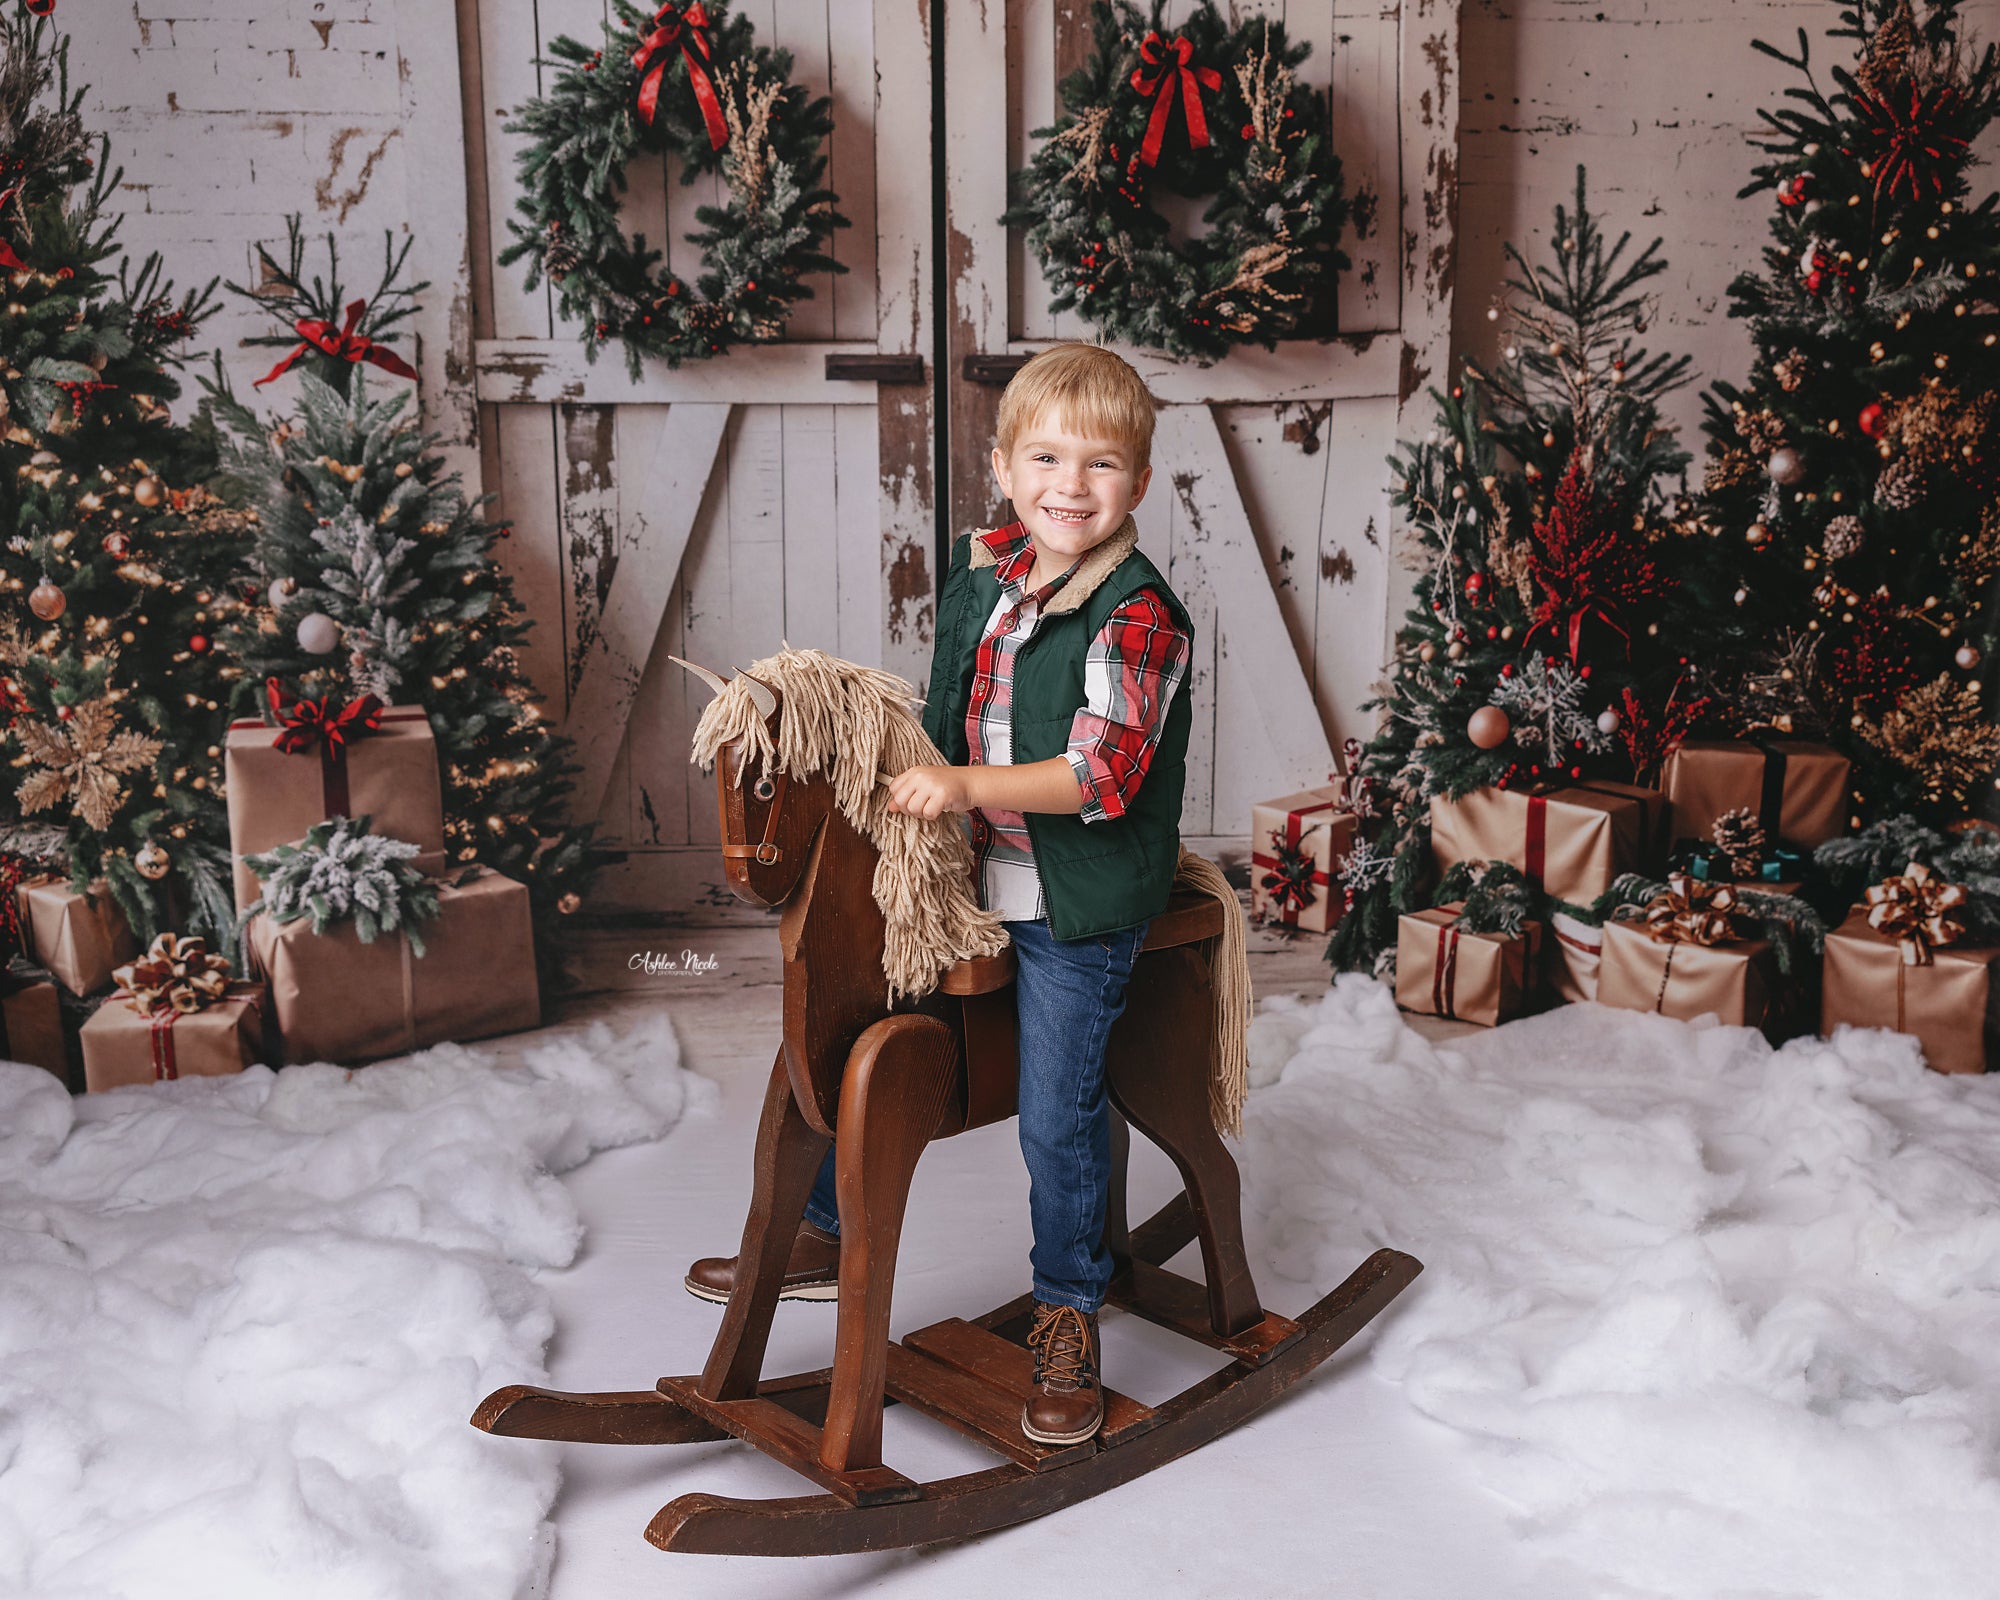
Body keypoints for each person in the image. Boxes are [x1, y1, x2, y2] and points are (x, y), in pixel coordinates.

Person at [684, 343, 1193, 1446]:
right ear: (1005, 468)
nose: (1070, 485)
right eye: (1046, 458)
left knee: (1057, 1111)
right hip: (968, 868)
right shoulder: (985, 576)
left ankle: (1066, 1311)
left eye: (1100, 464)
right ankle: (818, 1225)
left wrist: (962, 783)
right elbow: (944, 705)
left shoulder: (1139, 616)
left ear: (1138, 484)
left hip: (1078, 894)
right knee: (852, 1007)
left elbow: (1100, 774)